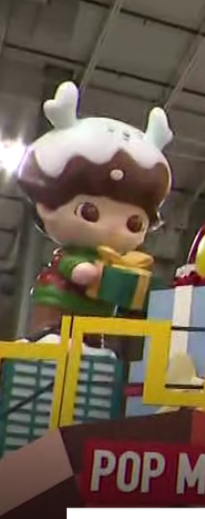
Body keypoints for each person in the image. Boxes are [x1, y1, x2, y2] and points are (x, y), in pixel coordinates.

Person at [15, 81, 173, 340]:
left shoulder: (117, 261)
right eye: (89, 212)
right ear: (47, 205)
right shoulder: (74, 255)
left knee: (91, 343)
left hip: (97, 319)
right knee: (52, 336)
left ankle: (91, 342)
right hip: (59, 302)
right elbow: (74, 268)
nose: (112, 228)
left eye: (133, 223)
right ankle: (47, 333)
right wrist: (88, 272)